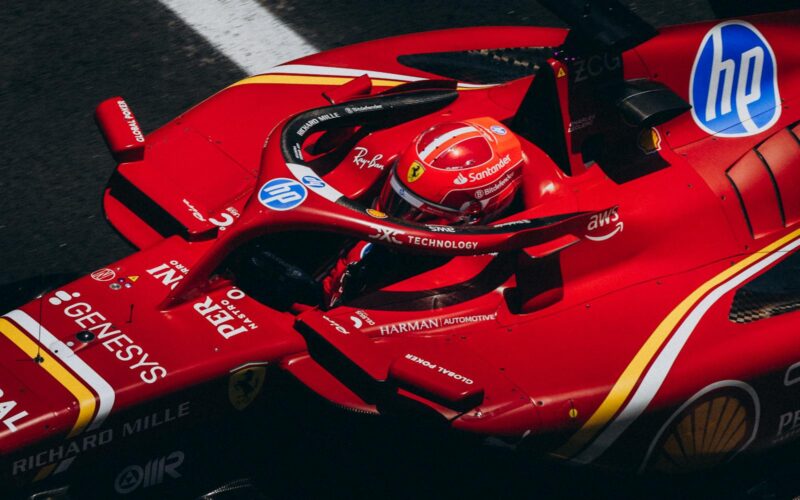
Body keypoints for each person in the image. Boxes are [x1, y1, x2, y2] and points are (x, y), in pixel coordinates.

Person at [322, 116, 526, 308]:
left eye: (414, 212)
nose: (391, 216)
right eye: (394, 198)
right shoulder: (368, 256)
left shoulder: (468, 283)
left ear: (470, 217)